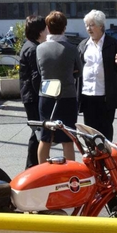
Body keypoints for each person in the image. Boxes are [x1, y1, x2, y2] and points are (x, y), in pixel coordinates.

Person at [35, 11, 82, 164]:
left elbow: (40, 71)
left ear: (48, 27)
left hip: (46, 95)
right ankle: (69, 174)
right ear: (64, 27)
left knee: (45, 137)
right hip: (67, 96)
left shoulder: (40, 49)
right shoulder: (71, 48)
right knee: (67, 139)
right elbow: (79, 71)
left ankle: (42, 173)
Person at [77, 9, 117, 141]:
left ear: (101, 26)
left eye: (92, 25)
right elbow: (77, 68)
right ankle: (93, 158)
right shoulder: (83, 45)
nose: (89, 28)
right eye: (87, 25)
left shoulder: (112, 44)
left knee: (105, 128)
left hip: (106, 96)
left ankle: (106, 158)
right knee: (89, 130)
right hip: (87, 94)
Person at [19, 15, 47, 168]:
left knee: (37, 132)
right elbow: (36, 77)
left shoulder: (29, 46)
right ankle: (32, 166)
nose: (48, 30)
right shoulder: (34, 49)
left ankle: (33, 165)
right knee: (38, 133)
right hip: (33, 97)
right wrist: (44, 95)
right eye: (45, 28)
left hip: (29, 95)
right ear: (40, 31)